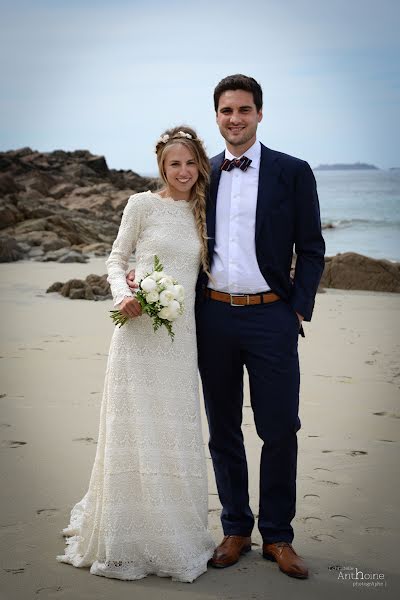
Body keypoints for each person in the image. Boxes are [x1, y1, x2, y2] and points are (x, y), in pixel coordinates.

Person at [56, 125, 215, 583]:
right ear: (162, 168)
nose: (182, 172)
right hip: (136, 329)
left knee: (174, 424)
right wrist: (121, 294)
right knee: (134, 421)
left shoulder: (205, 211)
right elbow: (115, 258)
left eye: (189, 163)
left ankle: (174, 529)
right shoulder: (142, 205)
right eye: (173, 165)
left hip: (180, 335)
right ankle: (127, 531)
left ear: (199, 165)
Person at [195, 74, 325, 579]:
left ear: (260, 114)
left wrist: (297, 307)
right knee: (223, 427)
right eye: (227, 110)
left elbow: (311, 247)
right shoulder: (203, 175)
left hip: (273, 314)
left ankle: (278, 536)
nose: (235, 118)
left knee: (279, 427)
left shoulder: (292, 171)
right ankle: (235, 528)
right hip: (214, 315)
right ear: (217, 116)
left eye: (244, 110)